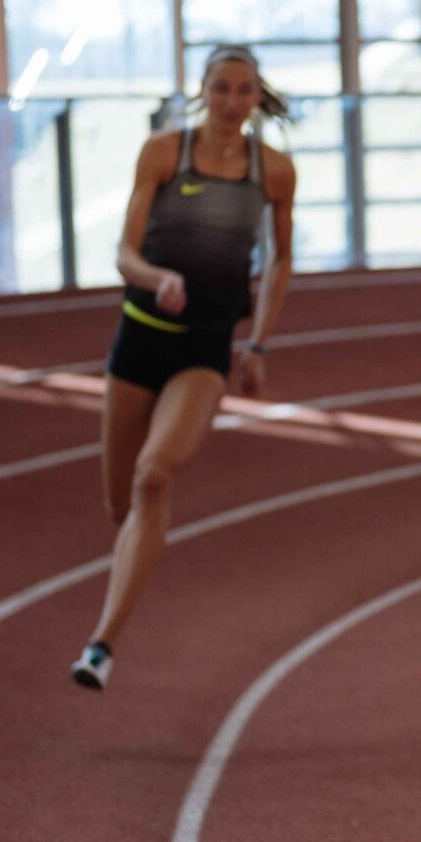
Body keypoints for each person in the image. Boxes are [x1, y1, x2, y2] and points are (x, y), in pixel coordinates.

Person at [70, 44, 297, 690]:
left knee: (153, 475)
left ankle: (101, 646)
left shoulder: (275, 171)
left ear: (258, 97)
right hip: (139, 340)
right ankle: (134, 564)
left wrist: (257, 343)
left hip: (205, 349)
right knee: (121, 504)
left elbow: (280, 261)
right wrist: (157, 275)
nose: (232, 101)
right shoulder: (164, 152)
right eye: (222, 88)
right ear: (203, 92)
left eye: (244, 90)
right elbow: (123, 252)